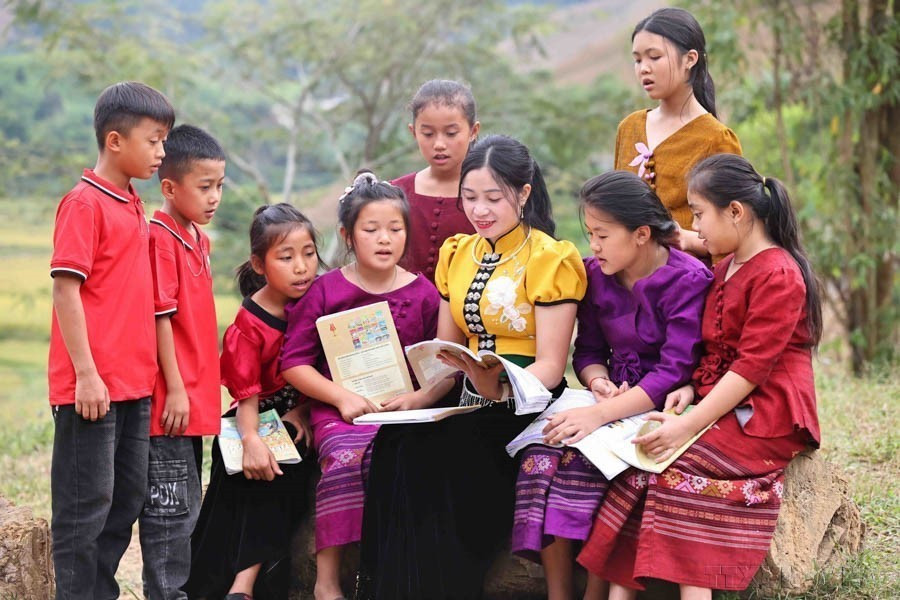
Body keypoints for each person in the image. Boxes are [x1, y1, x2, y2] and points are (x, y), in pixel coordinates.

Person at [578, 153, 823, 599]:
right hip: (720, 405)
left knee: (673, 473)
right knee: (638, 468)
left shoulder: (779, 274)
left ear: (736, 212)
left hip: (766, 416)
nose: (694, 226)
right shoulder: (725, 267)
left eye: (699, 213)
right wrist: (690, 388)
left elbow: (749, 369)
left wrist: (687, 425)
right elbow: (715, 350)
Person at [358, 134, 588, 599]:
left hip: (526, 404)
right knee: (393, 444)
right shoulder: (458, 253)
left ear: (523, 193)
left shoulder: (551, 258)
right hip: (465, 398)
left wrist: (499, 387)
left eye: (493, 198)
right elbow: (449, 350)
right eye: (469, 197)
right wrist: (420, 399)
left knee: (445, 459)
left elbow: (550, 364)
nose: (479, 210)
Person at [512, 171, 712, 599]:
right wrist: (599, 381)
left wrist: (597, 414)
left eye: (602, 235)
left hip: (661, 406)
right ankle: (558, 593)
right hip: (608, 402)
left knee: (583, 462)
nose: (594, 246)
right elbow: (587, 352)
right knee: (542, 454)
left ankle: (595, 592)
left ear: (641, 234)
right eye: (589, 234)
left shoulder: (688, 279)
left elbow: (673, 371)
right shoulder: (595, 275)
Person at [281, 172, 447, 600]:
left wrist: (419, 398)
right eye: (371, 229)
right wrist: (341, 397)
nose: (384, 239)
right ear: (347, 235)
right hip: (342, 412)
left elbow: (442, 365)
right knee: (346, 457)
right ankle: (327, 581)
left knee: (415, 462)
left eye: (395, 229)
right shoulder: (326, 290)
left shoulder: (425, 294)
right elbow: (294, 363)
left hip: (404, 410)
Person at [48, 81, 174, 600]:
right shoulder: (84, 203)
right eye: (154, 140)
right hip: (92, 387)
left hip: (133, 384)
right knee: (85, 509)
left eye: (165, 140)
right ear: (116, 140)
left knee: (125, 502)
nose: (162, 152)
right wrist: (86, 374)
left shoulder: (132, 203)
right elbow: (65, 289)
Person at [185, 203, 320, 600]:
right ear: (259, 265)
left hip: (307, 412)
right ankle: (239, 585)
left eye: (309, 254)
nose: (301, 267)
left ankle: (243, 585)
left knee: (280, 464)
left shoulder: (320, 301)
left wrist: (303, 410)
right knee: (250, 468)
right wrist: (251, 440)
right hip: (255, 415)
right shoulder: (250, 323)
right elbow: (246, 396)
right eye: (286, 257)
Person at [137, 124, 226, 600]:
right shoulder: (160, 237)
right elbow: (160, 319)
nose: (214, 198)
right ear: (169, 187)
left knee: (188, 506)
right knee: (170, 516)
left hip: (192, 401)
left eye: (219, 186)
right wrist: (174, 388)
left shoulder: (197, 239)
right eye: (204, 186)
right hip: (170, 405)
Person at [615, 7, 742, 259]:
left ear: (690, 59)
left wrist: (685, 238)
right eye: (638, 60)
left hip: (688, 278)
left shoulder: (716, 138)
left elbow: (736, 233)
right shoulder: (629, 128)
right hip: (628, 277)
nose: (644, 69)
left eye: (655, 57)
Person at [392, 79, 480, 282]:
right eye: (428, 134)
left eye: (451, 133)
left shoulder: (493, 196)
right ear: (413, 132)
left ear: (473, 131)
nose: (439, 144)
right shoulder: (394, 193)